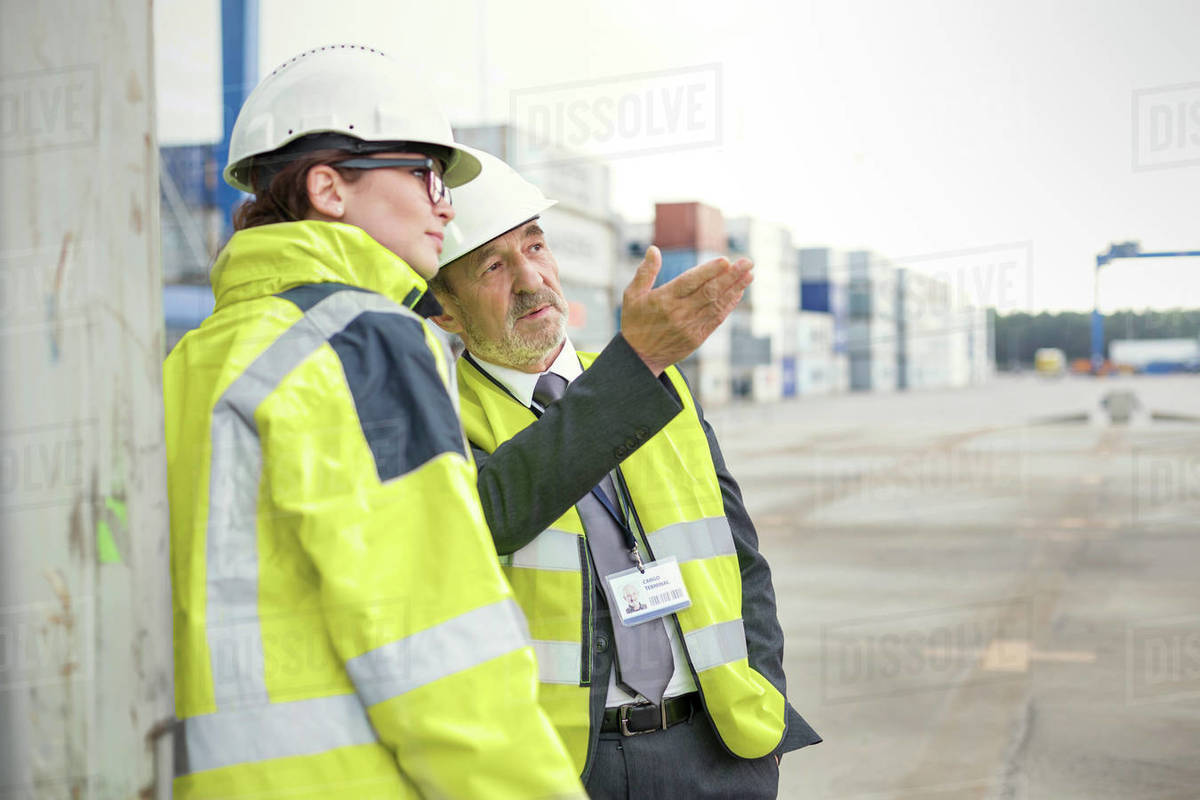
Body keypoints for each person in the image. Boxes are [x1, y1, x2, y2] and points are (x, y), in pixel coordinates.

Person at [163, 46, 587, 799]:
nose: (445, 206)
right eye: (426, 174)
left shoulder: (189, 362)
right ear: (328, 188)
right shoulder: (362, 340)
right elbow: (440, 652)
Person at [428, 150, 822, 799]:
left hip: (716, 750)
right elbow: (486, 521)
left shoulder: (660, 387)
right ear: (444, 310)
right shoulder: (439, 420)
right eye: (494, 266)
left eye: (535, 247)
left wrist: (766, 709)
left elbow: (741, 563)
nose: (532, 280)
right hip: (567, 768)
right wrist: (631, 369)